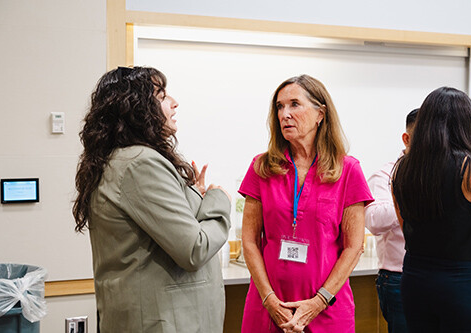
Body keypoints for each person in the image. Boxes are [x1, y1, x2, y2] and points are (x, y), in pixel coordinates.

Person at [72, 66, 231, 332]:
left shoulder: (119, 159)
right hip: (164, 321)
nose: (174, 102)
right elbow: (194, 249)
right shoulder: (140, 164)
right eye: (161, 96)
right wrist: (218, 200)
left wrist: (193, 198)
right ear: (135, 107)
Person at [239, 74, 374, 333]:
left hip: (327, 309)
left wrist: (318, 301)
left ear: (320, 114)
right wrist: (269, 300)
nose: (284, 114)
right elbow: (249, 241)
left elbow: (354, 247)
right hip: (268, 306)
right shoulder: (262, 167)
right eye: (279, 106)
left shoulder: (347, 170)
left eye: (294, 104)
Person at [392, 87, 471, 332]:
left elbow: (406, 226)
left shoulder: (402, 167)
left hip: (416, 280)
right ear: (462, 124)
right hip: (464, 283)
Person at [365, 108, 417, 333]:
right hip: (398, 278)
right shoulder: (386, 174)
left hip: (437, 274)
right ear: (407, 139)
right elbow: (373, 220)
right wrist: (410, 197)